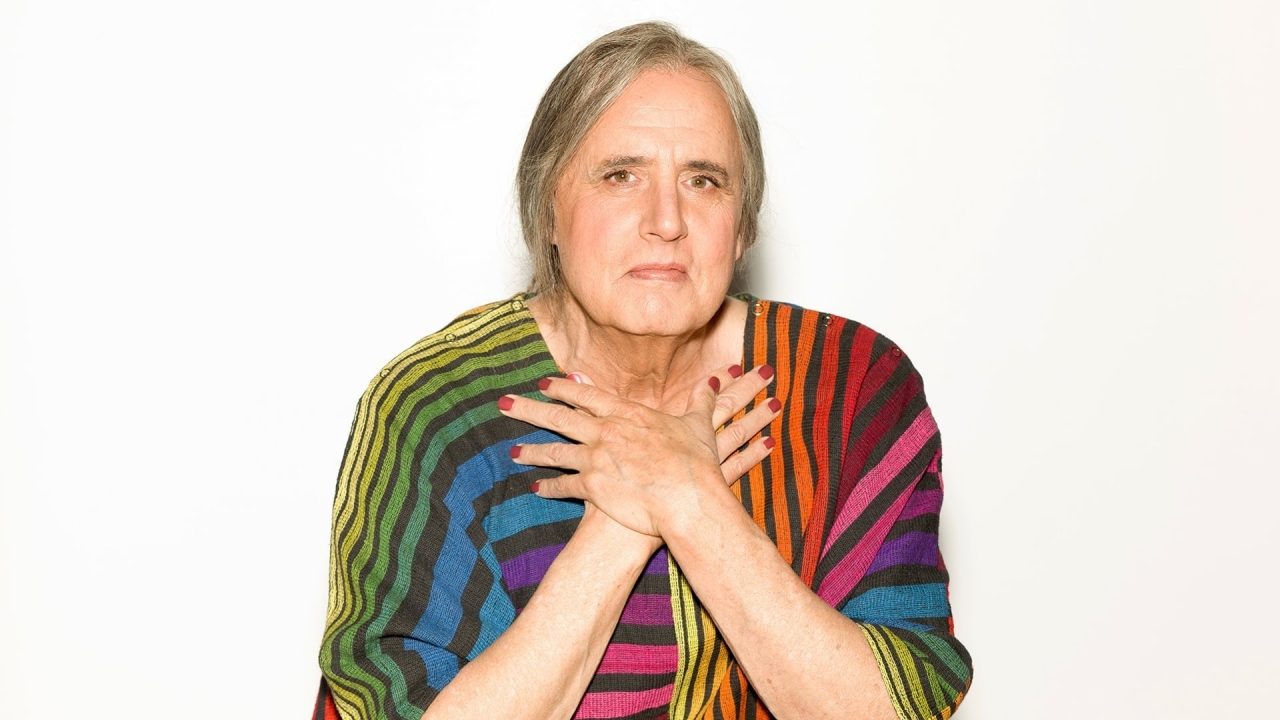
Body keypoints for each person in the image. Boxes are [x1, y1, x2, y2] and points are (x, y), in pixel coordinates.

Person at [316, 21, 971, 720]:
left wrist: (692, 500)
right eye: (620, 175)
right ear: (548, 211)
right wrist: (622, 523)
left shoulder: (851, 387)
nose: (667, 220)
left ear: (743, 226)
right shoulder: (438, 409)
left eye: (704, 180)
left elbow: (899, 708)